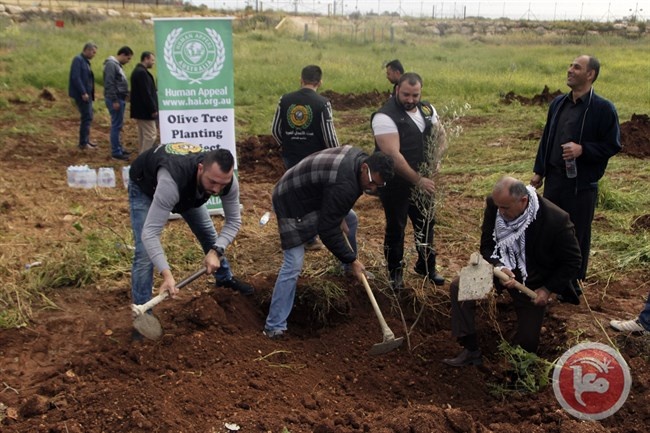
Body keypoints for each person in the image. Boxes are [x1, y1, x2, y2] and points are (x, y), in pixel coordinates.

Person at [443, 177, 582, 367]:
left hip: (532, 282)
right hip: (500, 270)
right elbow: (487, 245)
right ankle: (471, 350)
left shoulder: (556, 220)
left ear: (523, 201)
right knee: (460, 287)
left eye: (505, 208)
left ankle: (515, 369)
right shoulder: (496, 204)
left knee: (526, 343)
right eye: (498, 207)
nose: (500, 212)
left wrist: (547, 289)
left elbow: (573, 261)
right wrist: (499, 266)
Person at [263, 146, 394, 339]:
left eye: (378, 186)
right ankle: (274, 326)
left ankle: (349, 272)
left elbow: (331, 190)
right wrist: (352, 258)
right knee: (293, 263)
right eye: (373, 182)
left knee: (351, 219)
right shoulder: (345, 184)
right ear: (365, 167)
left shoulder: (358, 163)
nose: (373, 188)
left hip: (311, 192)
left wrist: (338, 211)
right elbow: (327, 230)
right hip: (290, 201)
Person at [128, 144, 254, 337]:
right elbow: (150, 234)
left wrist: (216, 251)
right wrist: (167, 275)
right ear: (201, 168)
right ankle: (144, 315)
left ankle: (224, 280)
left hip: (188, 191)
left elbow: (234, 220)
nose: (216, 190)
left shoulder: (225, 182)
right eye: (213, 182)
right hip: (146, 185)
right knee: (144, 254)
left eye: (222, 184)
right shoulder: (172, 182)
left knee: (209, 234)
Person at [531, 55, 621, 283]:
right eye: (570, 66)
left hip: (581, 185)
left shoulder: (603, 109)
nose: (570, 70)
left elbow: (612, 145)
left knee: (576, 233)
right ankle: (547, 278)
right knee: (548, 228)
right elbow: (547, 139)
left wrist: (584, 150)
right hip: (555, 180)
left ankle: (570, 284)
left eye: (576, 67)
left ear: (590, 75)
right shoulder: (558, 103)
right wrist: (539, 171)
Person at [372, 72, 446, 291]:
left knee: (426, 222)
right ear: (397, 90)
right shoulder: (384, 117)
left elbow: (440, 135)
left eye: (415, 95)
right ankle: (395, 273)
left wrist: (436, 160)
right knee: (397, 226)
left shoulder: (427, 110)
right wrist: (418, 180)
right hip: (396, 183)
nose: (410, 99)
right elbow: (393, 157)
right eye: (406, 94)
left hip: (424, 180)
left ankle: (426, 267)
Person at [271, 64, 341, 251]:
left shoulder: (284, 100)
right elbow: (329, 135)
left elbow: (275, 130)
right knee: (314, 195)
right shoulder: (323, 103)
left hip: (291, 156)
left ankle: (294, 233)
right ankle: (310, 237)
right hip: (314, 159)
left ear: (301, 80)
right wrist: (336, 153)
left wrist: (287, 144)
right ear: (320, 82)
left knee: (294, 193)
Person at [103, 46, 134, 161]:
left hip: (120, 98)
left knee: (118, 125)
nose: (128, 61)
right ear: (123, 55)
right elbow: (109, 83)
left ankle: (119, 148)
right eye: (128, 58)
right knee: (116, 125)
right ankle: (116, 151)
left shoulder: (116, 65)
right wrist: (114, 100)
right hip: (115, 99)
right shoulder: (111, 65)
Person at [68, 42, 98, 150]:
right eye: (93, 52)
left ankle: (86, 140)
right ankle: (83, 143)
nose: (94, 54)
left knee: (88, 117)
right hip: (82, 95)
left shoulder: (85, 62)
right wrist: (83, 92)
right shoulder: (78, 60)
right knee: (87, 117)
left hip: (87, 94)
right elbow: (76, 77)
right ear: (87, 50)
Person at [130, 51, 158, 153]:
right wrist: (153, 108)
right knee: (151, 134)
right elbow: (146, 93)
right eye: (152, 60)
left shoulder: (138, 71)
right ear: (146, 59)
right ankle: (144, 158)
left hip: (140, 110)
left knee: (143, 135)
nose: (153, 63)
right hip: (145, 111)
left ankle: (141, 157)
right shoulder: (142, 73)